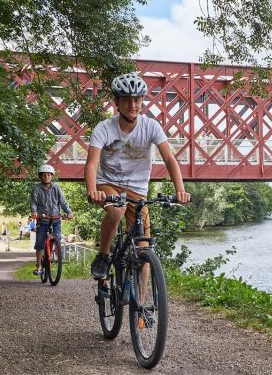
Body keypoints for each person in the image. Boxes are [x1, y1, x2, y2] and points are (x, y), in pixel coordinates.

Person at [85, 72, 191, 280]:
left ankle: (143, 309)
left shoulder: (151, 126)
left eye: (137, 99)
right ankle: (104, 255)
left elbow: (169, 158)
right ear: (117, 102)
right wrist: (92, 191)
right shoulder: (104, 128)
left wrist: (180, 190)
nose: (132, 104)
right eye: (126, 100)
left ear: (142, 100)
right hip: (109, 184)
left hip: (138, 190)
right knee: (117, 210)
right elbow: (92, 163)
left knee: (145, 248)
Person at [30, 163, 73, 276]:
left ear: (52, 176)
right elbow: (34, 202)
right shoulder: (36, 189)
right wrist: (34, 212)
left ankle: (55, 255)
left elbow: (63, 202)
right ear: (40, 176)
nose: (46, 177)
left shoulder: (56, 188)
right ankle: (39, 266)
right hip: (42, 219)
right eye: (44, 175)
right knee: (39, 242)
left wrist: (68, 212)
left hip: (55, 218)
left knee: (57, 237)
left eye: (49, 175)